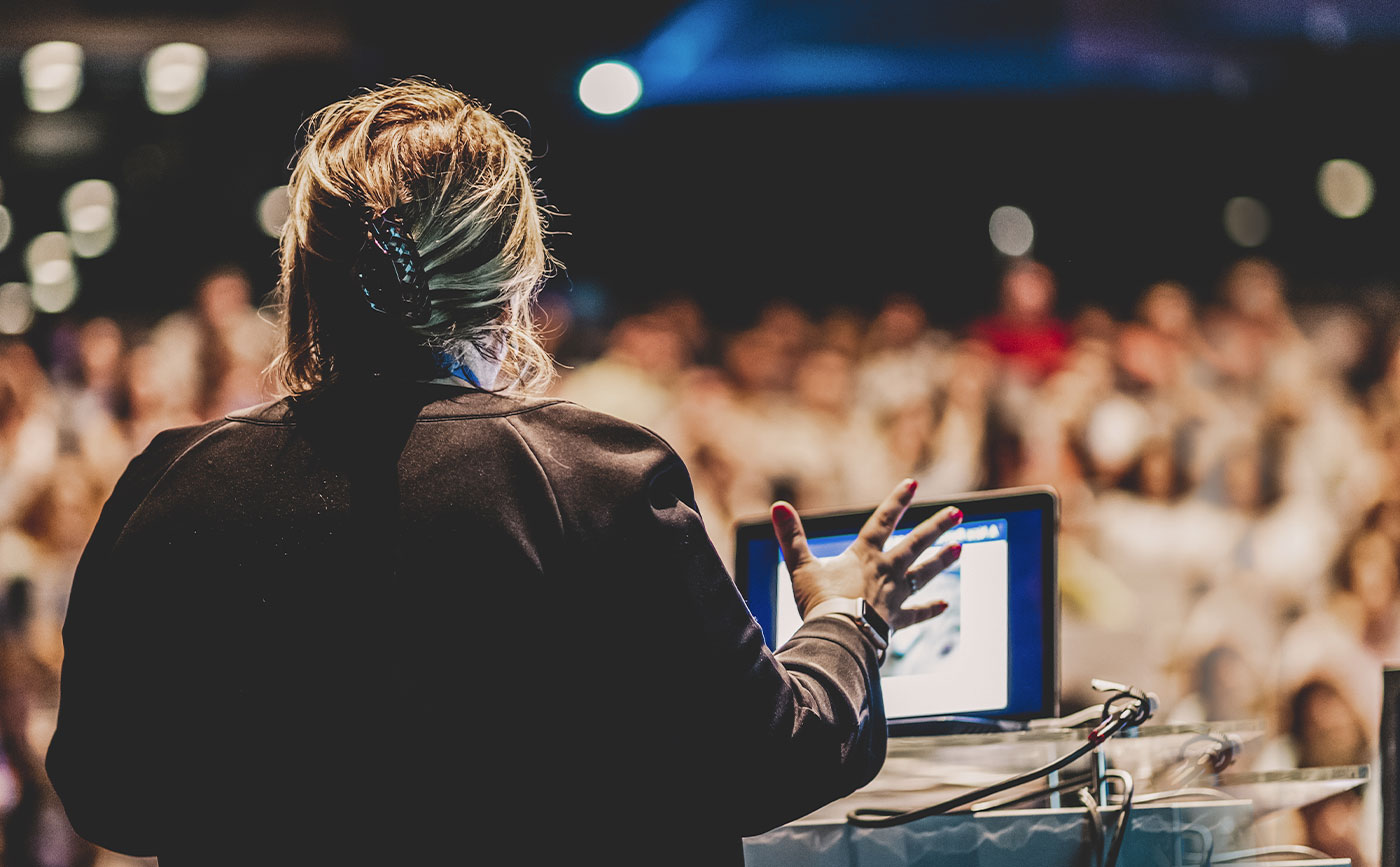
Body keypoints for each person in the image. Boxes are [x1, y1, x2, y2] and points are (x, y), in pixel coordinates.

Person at [44, 80, 963, 865]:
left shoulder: (170, 485)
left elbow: (105, 793)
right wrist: (850, 616)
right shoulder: (597, 478)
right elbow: (766, 758)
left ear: (306, 276)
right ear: (515, 282)